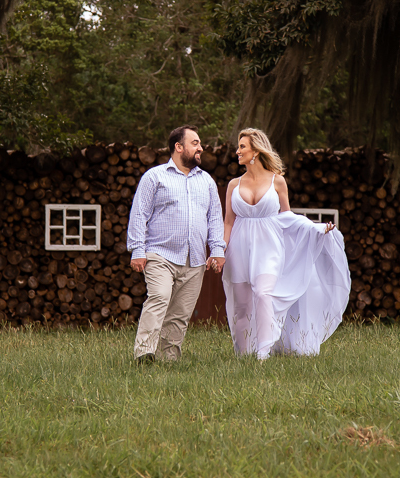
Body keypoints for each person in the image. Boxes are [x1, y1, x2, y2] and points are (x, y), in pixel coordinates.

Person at [222, 128, 351, 359]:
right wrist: (220, 250)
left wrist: (316, 228)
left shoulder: (277, 181)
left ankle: (263, 353)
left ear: (256, 151)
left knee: (264, 295)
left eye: (242, 147)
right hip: (239, 250)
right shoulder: (234, 184)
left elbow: (288, 217)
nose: (237, 151)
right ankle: (243, 355)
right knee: (242, 306)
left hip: (268, 249)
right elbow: (228, 222)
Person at [127, 125, 226, 362]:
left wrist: (217, 250)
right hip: (160, 254)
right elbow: (139, 214)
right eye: (195, 143)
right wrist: (138, 250)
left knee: (180, 313)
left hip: (195, 258)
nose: (200, 148)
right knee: (159, 297)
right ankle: (144, 353)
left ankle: (169, 358)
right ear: (178, 147)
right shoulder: (155, 176)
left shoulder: (207, 181)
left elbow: (214, 218)